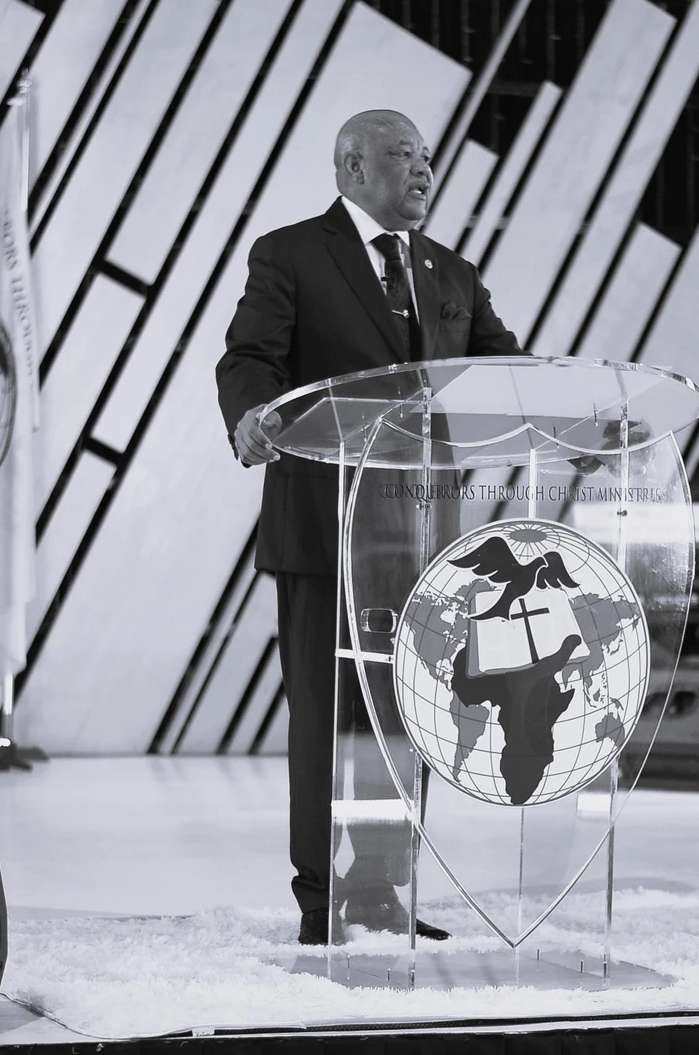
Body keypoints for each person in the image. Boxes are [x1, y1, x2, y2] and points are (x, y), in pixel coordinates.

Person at [216, 108, 522, 946]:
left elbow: (502, 369)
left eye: (426, 157)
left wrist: (573, 410)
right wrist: (250, 415)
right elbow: (249, 357)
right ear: (352, 166)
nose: (423, 170)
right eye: (401, 155)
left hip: (420, 538)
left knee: (404, 720)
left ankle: (382, 887)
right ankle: (322, 897)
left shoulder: (449, 272)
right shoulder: (290, 253)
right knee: (326, 720)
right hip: (324, 527)